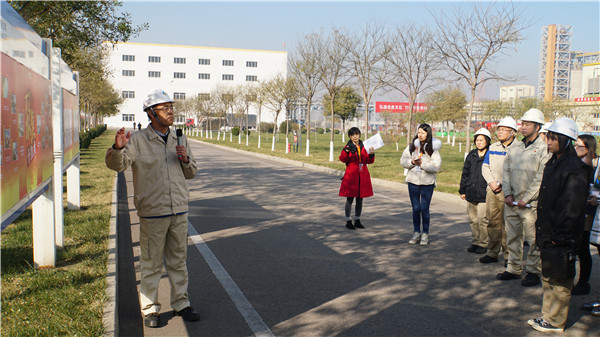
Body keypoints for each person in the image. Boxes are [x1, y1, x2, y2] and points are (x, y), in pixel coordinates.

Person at [105, 89, 200, 328]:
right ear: (151, 113)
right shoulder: (137, 140)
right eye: (164, 108)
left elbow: (191, 173)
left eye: (171, 107)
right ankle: (150, 309)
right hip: (153, 212)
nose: (170, 112)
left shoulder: (180, 138)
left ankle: (181, 303)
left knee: (179, 261)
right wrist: (117, 149)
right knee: (151, 263)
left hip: (178, 210)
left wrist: (185, 160)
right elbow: (118, 165)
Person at [528, 117, 589, 333]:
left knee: (561, 279)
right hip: (548, 230)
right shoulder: (553, 162)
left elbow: (572, 207)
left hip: (561, 233)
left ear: (565, 139)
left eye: (553, 138)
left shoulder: (575, 168)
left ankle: (556, 321)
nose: (549, 142)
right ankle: (548, 315)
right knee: (549, 275)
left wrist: (561, 235)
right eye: (549, 138)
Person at [498, 108, 550, 287]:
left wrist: (526, 199)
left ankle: (533, 271)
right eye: (523, 124)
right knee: (512, 236)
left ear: (537, 126)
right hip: (512, 201)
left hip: (530, 204)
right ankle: (513, 268)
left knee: (533, 239)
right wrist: (507, 193)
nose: (523, 127)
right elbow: (506, 171)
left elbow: (540, 178)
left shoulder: (543, 149)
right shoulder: (516, 147)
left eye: (527, 124)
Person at [480, 117, 518, 265]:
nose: (500, 132)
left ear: (512, 132)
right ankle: (492, 252)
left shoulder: (518, 148)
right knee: (492, 222)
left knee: (508, 225)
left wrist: (501, 183)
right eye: (499, 129)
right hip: (492, 190)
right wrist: (491, 182)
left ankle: (509, 256)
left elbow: (515, 170)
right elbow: (485, 166)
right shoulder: (493, 147)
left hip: (508, 191)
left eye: (504, 129)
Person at [401, 123, 442, 245]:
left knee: (424, 208)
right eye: (419, 132)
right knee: (415, 209)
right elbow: (403, 160)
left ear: (428, 134)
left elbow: (436, 166)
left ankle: (425, 233)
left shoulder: (432, 149)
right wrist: (412, 162)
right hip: (413, 181)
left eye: (423, 133)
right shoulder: (412, 146)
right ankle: (416, 233)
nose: (420, 134)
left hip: (427, 183)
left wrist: (422, 164)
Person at [572, 134, 599, 295]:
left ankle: (584, 282)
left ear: (589, 149)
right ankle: (578, 281)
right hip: (578, 210)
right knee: (579, 246)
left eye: (580, 147)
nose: (576, 149)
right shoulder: (575, 164)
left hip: (592, 213)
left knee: (584, 247)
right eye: (575, 146)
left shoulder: (596, 164)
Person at [459, 128, 491, 254]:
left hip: (484, 193)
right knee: (473, 219)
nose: (479, 143)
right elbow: (465, 173)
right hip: (471, 191)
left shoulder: (490, 154)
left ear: (487, 141)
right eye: (477, 140)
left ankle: (483, 243)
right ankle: (475, 241)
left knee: (482, 220)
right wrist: (463, 190)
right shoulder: (471, 155)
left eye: (481, 140)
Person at [339, 127, 375, 230]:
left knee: (360, 199)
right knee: (350, 199)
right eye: (353, 135)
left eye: (357, 134)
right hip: (351, 176)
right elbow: (342, 159)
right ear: (350, 136)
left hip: (362, 176)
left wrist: (371, 155)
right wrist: (346, 151)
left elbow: (369, 161)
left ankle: (357, 219)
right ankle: (348, 220)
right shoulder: (348, 147)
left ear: (359, 135)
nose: (355, 136)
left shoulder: (364, 146)